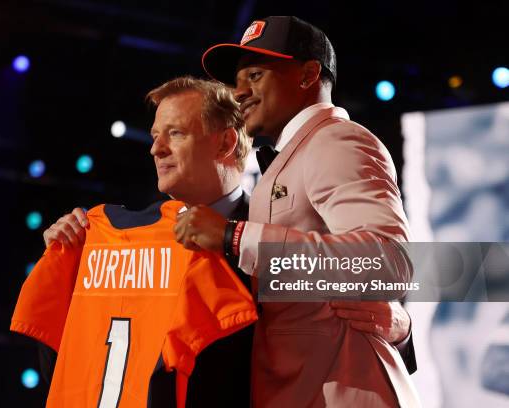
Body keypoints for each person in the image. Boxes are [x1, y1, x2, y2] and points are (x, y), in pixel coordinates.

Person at [45, 71, 416, 408]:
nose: (155, 148)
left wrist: (400, 327)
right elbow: (68, 361)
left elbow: (374, 274)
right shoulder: (120, 239)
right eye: (156, 135)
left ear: (224, 144)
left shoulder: (274, 232)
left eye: (175, 133)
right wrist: (69, 268)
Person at [170, 15, 420, 407]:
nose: (238, 92)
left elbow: (386, 263)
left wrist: (234, 236)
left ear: (307, 75)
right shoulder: (297, 154)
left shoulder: (336, 141)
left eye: (254, 75)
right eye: (237, 80)